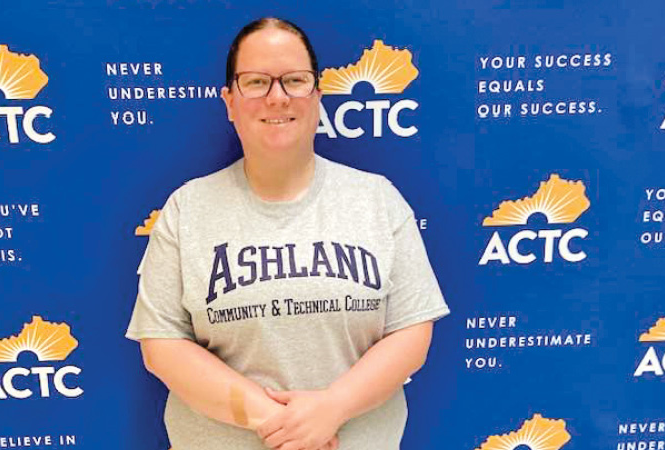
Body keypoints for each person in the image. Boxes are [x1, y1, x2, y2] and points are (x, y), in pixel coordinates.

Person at [126, 17, 449, 450]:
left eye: (295, 81)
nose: (277, 97)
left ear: (317, 95)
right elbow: (162, 345)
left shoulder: (378, 199)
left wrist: (333, 408)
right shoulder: (187, 208)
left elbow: (411, 334)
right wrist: (280, 423)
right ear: (229, 101)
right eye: (256, 82)